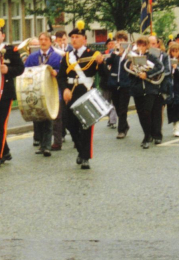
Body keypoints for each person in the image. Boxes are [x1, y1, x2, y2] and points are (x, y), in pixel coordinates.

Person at [56, 22, 103, 168]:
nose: (74, 40)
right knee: (69, 122)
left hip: (86, 91)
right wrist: (64, 89)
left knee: (86, 125)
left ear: (84, 39)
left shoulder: (93, 55)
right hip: (70, 92)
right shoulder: (67, 56)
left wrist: (101, 63)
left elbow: (103, 75)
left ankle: (85, 157)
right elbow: (61, 76)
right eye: (72, 37)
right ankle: (80, 148)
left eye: (77, 37)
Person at [0, 23, 25, 168]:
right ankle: (6, 151)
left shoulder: (11, 50)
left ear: (3, 36)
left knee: (0, 125)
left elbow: (20, 68)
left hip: (5, 93)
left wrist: (8, 69)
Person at [24, 31, 61, 157]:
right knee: (38, 118)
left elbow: (63, 71)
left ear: (50, 42)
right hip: (36, 91)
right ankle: (41, 143)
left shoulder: (57, 56)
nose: (43, 42)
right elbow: (25, 71)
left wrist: (56, 72)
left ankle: (47, 146)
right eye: (41, 39)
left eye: (46, 39)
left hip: (51, 91)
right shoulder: (32, 57)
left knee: (49, 118)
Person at [128, 36, 164, 149]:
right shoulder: (133, 57)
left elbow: (160, 67)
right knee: (141, 114)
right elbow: (128, 73)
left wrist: (147, 74)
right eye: (139, 45)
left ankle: (150, 136)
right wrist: (132, 69)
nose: (141, 47)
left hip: (150, 88)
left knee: (148, 112)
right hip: (138, 89)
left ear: (147, 46)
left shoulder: (152, 57)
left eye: (143, 45)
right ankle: (147, 134)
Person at [105, 31, 132, 139]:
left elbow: (131, 64)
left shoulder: (130, 52)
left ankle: (121, 130)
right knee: (116, 106)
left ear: (126, 41)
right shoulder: (114, 52)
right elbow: (108, 62)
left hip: (126, 83)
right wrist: (115, 53)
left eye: (122, 40)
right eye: (118, 40)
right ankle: (125, 125)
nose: (120, 42)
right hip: (114, 83)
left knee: (123, 107)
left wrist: (124, 55)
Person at [148, 35, 170, 144]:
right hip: (147, 87)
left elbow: (167, 70)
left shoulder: (164, 56)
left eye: (153, 43)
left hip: (159, 86)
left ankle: (157, 134)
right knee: (148, 112)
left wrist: (153, 74)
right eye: (149, 44)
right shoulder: (144, 55)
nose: (151, 46)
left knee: (157, 111)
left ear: (157, 44)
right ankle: (150, 133)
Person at [99, 38, 118, 129]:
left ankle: (112, 120)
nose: (111, 45)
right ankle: (110, 117)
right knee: (106, 103)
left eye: (112, 43)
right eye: (109, 44)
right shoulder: (103, 54)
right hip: (105, 82)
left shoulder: (116, 54)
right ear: (107, 45)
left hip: (114, 82)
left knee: (115, 103)